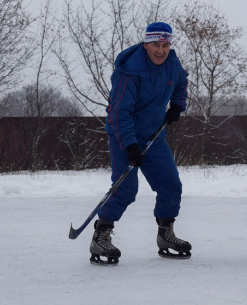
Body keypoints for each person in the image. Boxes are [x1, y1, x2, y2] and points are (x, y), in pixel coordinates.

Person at [89, 22, 191, 265]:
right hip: (124, 134)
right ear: (146, 44)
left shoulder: (172, 64)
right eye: (156, 45)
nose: (161, 50)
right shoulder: (130, 71)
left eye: (165, 45)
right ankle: (101, 234)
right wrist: (131, 145)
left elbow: (181, 82)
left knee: (170, 184)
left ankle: (165, 234)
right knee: (126, 188)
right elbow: (119, 113)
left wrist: (177, 104)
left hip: (154, 135)